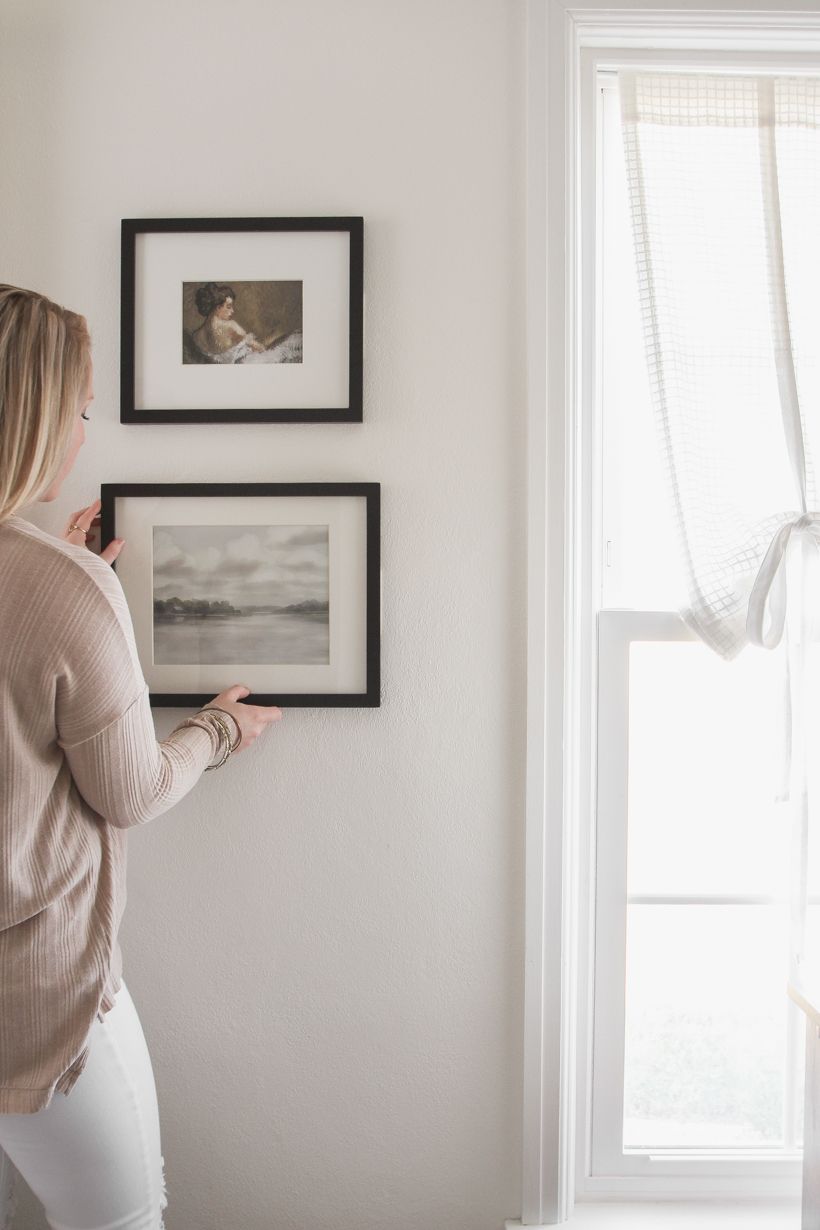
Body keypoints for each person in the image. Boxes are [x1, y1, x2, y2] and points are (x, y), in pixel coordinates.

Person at [0, 285, 282, 1229]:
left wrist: (70, 581)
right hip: (38, 1007)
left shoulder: (61, 582)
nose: (84, 432)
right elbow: (129, 791)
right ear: (34, 415)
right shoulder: (63, 588)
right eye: (79, 409)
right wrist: (216, 730)